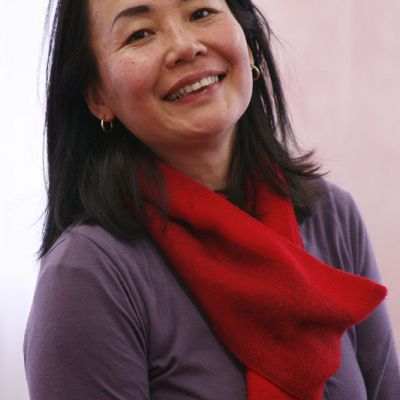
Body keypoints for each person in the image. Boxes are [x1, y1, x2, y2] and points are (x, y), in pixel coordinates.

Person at [24, 0, 400, 399]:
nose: (185, 46)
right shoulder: (88, 274)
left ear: (248, 43)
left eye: (201, 13)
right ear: (97, 95)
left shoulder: (330, 215)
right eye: (140, 34)